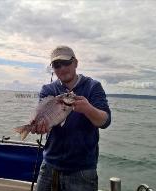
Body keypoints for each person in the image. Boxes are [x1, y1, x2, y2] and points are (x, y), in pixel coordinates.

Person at [34, 45, 111, 191]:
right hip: (49, 166)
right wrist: (39, 127)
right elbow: (44, 121)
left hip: (82, 170)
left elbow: (105, 121)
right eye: (57, 65)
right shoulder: (48, 90)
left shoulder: (93, 87)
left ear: (76, 63)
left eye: (66, 62)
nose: (62, 68)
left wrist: (88, 109)